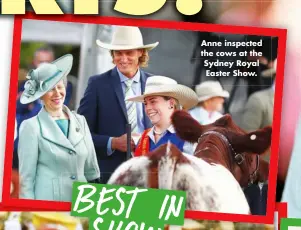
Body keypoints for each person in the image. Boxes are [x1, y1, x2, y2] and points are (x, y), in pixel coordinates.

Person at [77, 26, 159, 183]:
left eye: (129, 53)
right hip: (109, 177)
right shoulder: (97, 84)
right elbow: (79, 135)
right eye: (118, 53)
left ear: (141, 52)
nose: (123, 58)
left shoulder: (155, 84)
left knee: (147, 209)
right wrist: (112, 143)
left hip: (149, 176)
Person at [18, 54, 100, 201]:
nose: (57, 93)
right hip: (49, 206)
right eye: (50, 89)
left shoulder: (80, 121)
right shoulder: (30, 127)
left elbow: (91, 172)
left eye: (60, 86)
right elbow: (26, 181)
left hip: (82, 204)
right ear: (41, 95)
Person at [126, 76, 198, 156]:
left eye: (153, 102)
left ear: (171, 103)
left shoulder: (188, 138)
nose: (148, 108)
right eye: (145, 104)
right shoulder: (143, 138)